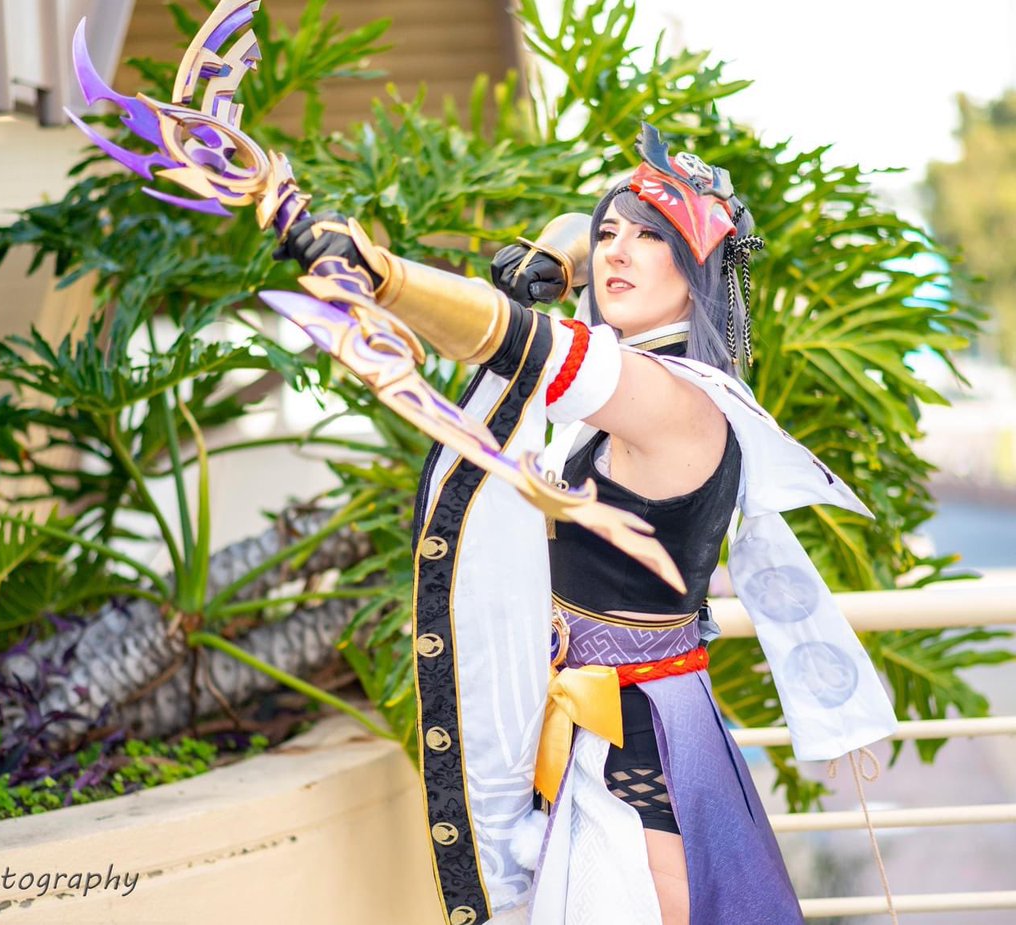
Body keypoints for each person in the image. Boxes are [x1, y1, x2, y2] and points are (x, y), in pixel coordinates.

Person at [277, 122, 897, 925]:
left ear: (698, 268)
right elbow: (566, 281)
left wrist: (382, 275)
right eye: (608, 236)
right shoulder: (646, 393)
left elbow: (527, 345)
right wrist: (556, 255)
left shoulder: (674, 399)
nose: (616, 252)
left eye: (652, 236)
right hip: (601, 734)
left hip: (642, 756)